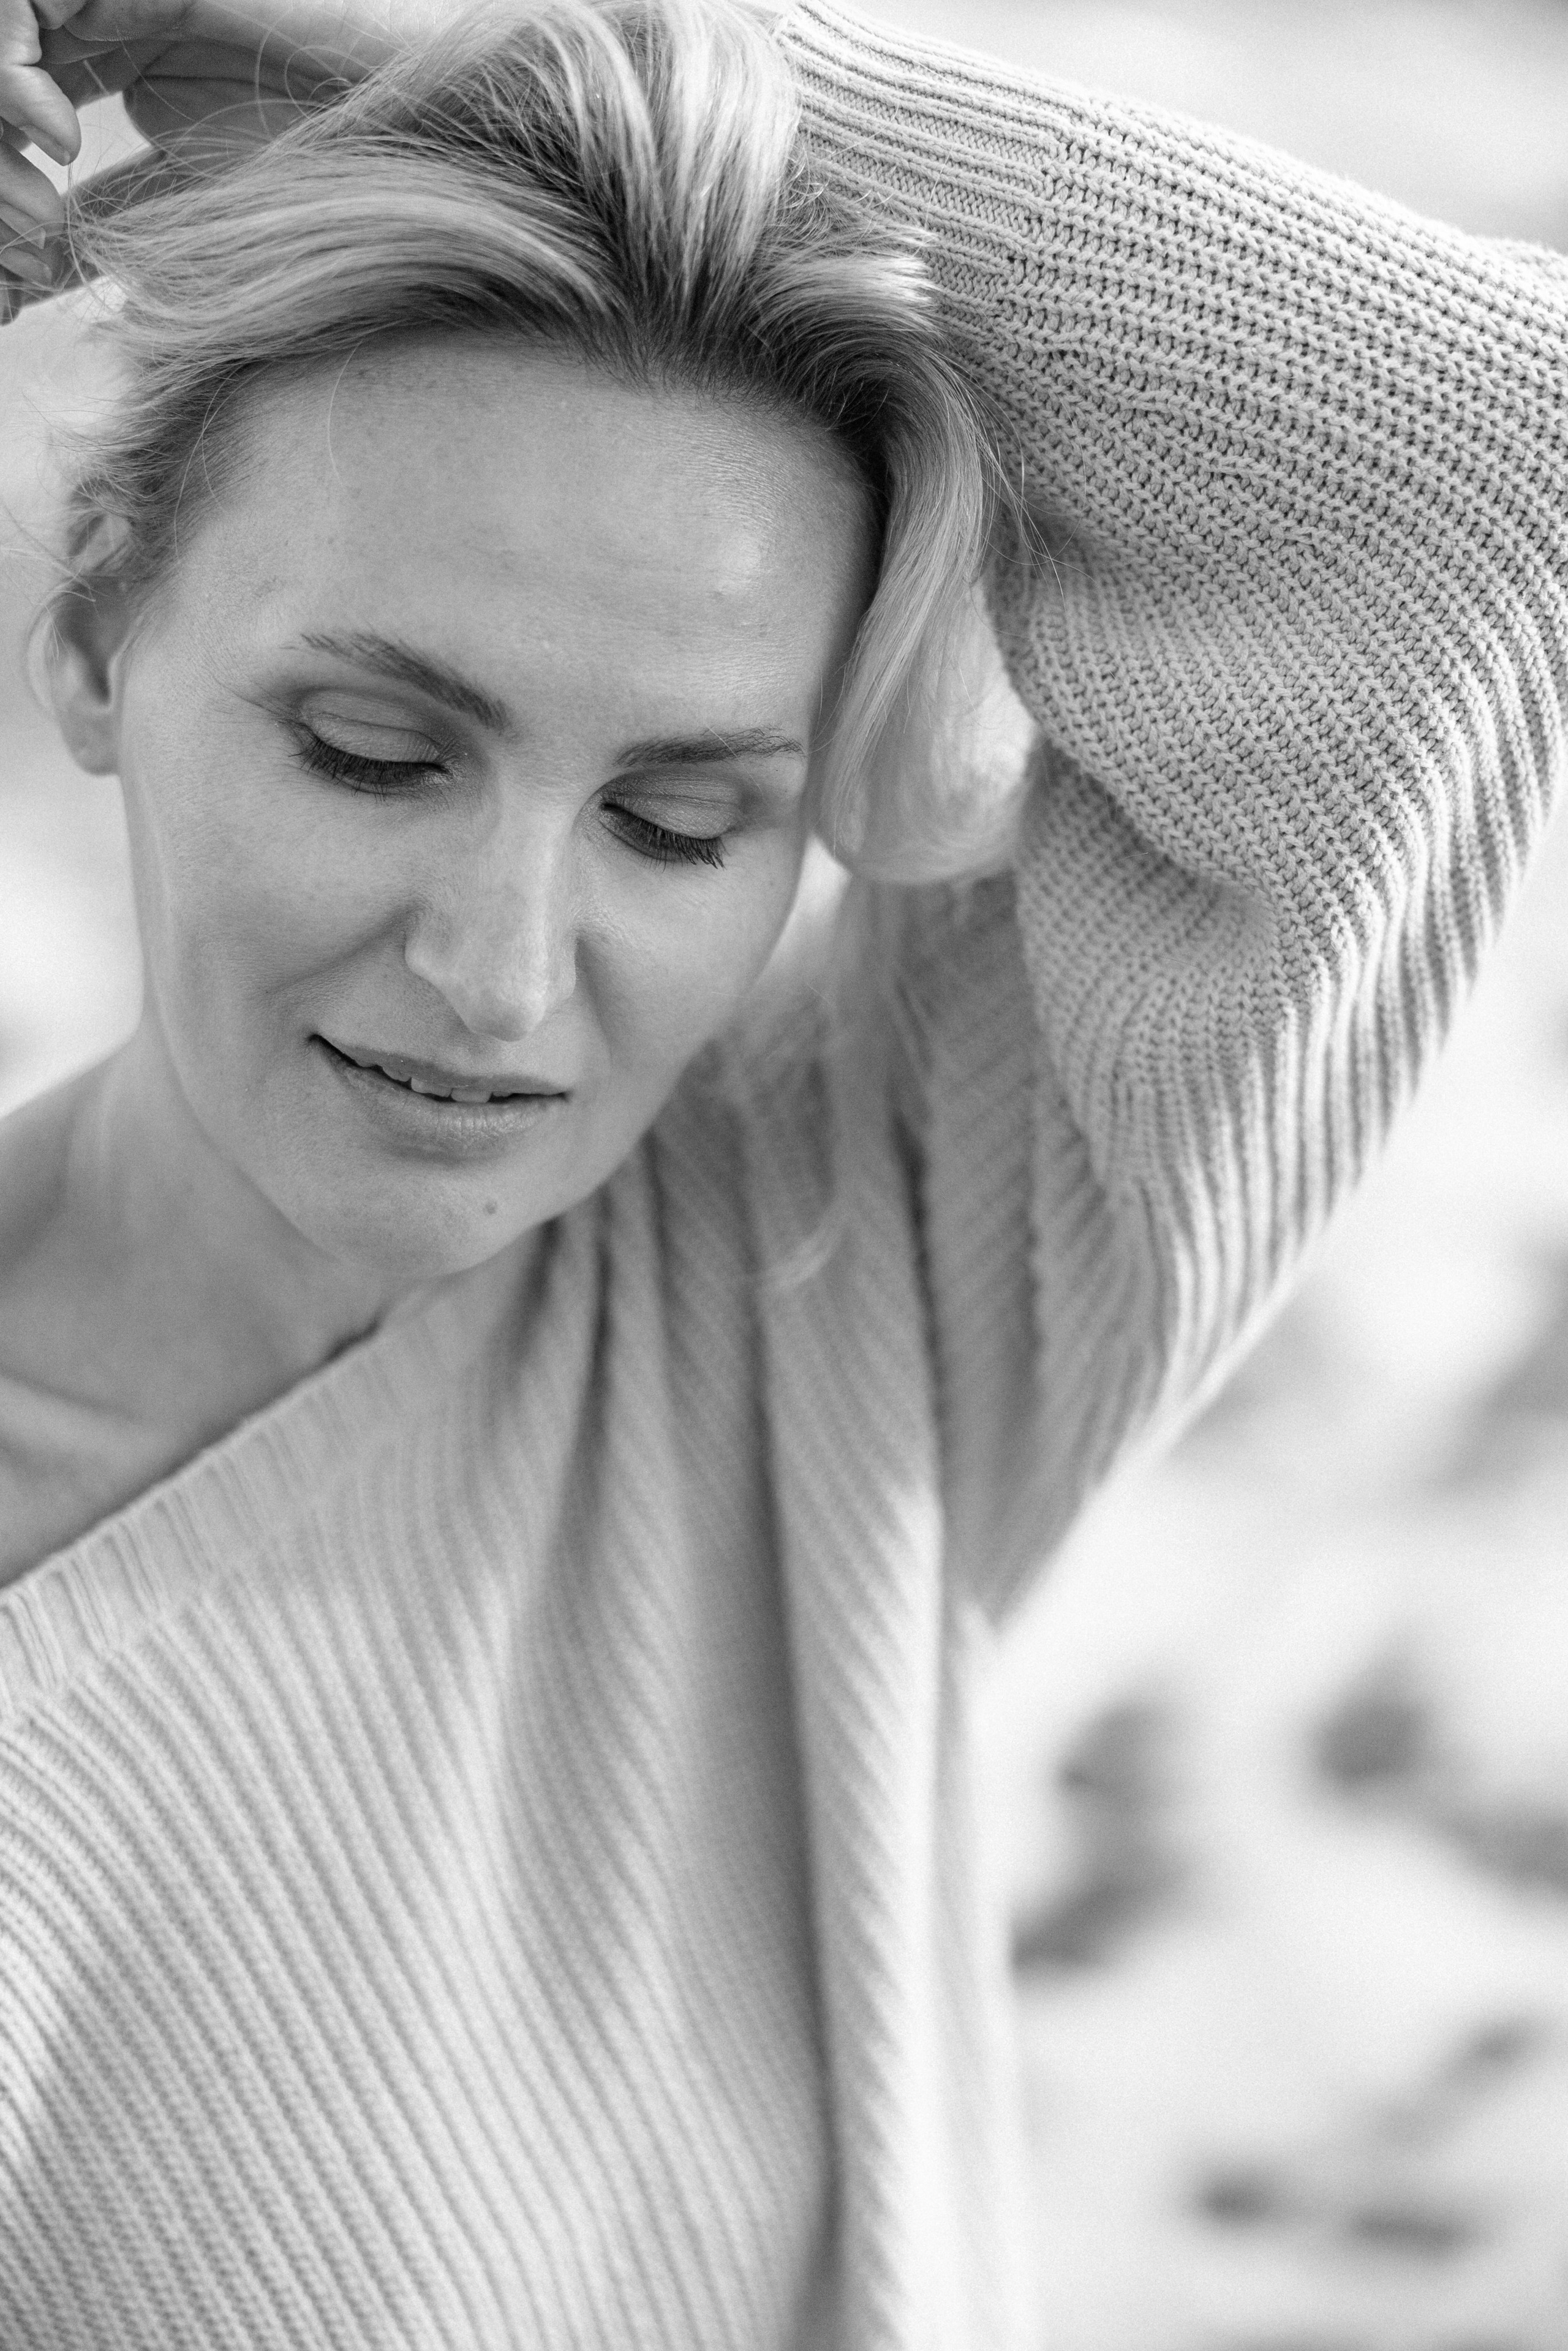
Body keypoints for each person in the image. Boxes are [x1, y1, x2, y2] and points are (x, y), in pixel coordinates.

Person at [0, 0, 1562, 2342]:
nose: (501, 976)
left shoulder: (839, 1235)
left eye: (677, 818)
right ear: (97, 639)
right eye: (375, 748)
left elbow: (1488, 458)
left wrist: (451, 31)